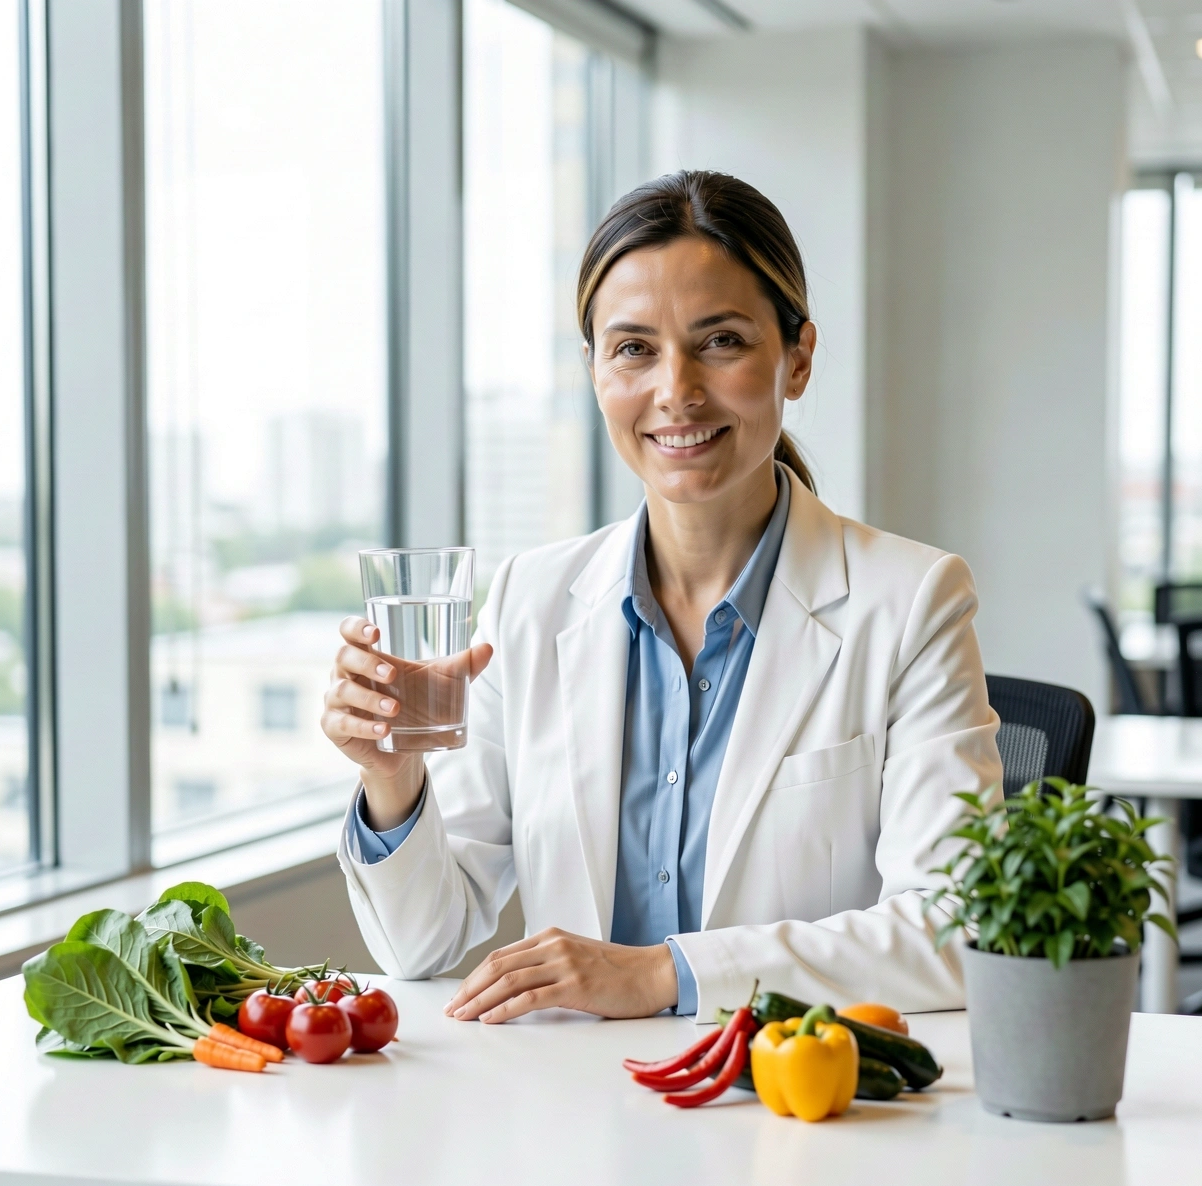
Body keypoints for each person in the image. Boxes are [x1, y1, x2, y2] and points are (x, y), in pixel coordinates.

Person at [323, 170, 1002, 1025]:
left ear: (797, 358)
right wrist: (394, 778)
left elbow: (951, 928)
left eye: (720, 341)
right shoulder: (530, 601)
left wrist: (663, 973)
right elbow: (421, 944)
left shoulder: (910, 603)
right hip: (576, 1115)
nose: (675, 391)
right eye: (634, 349)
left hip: (797, 1110)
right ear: (595, 370)